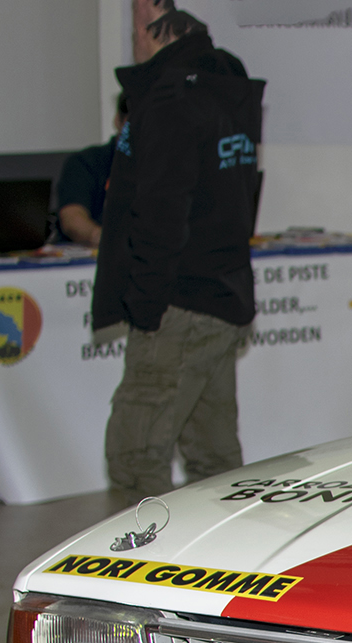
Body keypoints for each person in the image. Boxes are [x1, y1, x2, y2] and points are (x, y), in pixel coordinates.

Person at [93, 2, 262, 497]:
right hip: (222, 295)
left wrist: (145, 307)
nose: (132, 43)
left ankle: (130, 574)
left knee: (134, 460)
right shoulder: (226, 90)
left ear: (151, 20)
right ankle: (235, 563)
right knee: (215, 464)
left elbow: (160, 214)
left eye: (133, 30)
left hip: (178, 305)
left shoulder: (171, 99)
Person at [57, 96, 126, 249]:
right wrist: (99, 236)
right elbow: (72, 218)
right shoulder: (87, 162)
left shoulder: (169, 166)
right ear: (118, 121)